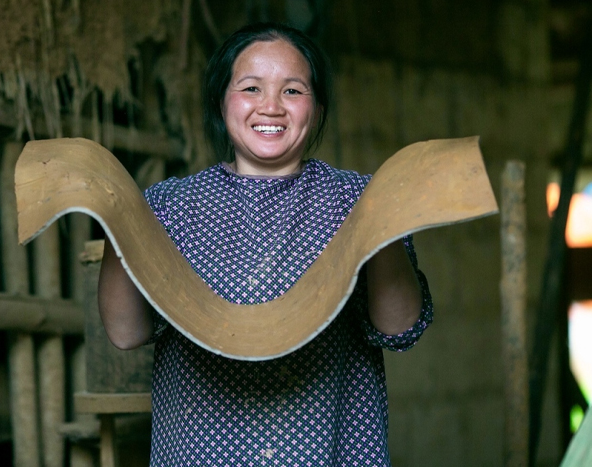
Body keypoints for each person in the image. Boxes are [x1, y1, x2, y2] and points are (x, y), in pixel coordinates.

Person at [98, 22, 433, 467]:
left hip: (329, 453)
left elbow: (399, 327)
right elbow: (126, 333)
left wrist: (382, 219)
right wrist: (114, 215)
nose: (271, 107)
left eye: (293, 91)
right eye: (251, 88)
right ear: (222, 101)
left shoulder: (359, 199)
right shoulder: (167, 207)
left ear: (316, 106)